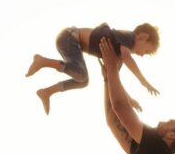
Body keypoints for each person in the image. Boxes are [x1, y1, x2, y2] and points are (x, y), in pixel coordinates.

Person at [25, 22, 160, 115]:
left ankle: (47, 92)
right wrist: (144, 82)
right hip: (69, 37)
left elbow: (115, 80)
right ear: (143, 37)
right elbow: (128, 58)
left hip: (69, 42)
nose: (142, 55)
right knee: (82, 75)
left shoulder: (119, 54)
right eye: (146, 51)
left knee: (83, 81)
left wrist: (129, 99)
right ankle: (42, 61)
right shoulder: (129, 38)